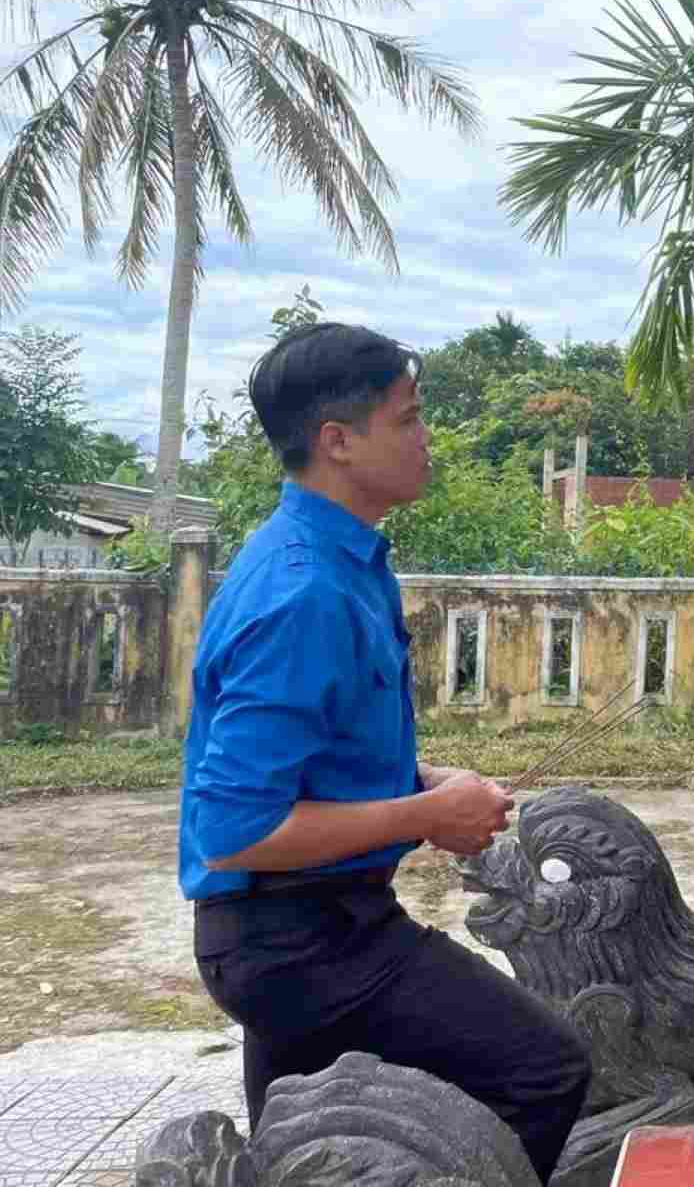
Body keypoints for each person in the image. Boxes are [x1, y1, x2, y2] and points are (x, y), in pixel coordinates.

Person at [178, 323, 591, 1184]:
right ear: (338, 442)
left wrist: (425, 784)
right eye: (408, 419)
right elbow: (235, 829)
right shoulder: (303, 590)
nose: (427, 437)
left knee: (306, 1152)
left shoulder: (343, 560)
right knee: (544, 1072)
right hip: (301, 941)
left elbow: (315, 758)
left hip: (302, 925)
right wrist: (425, 816)